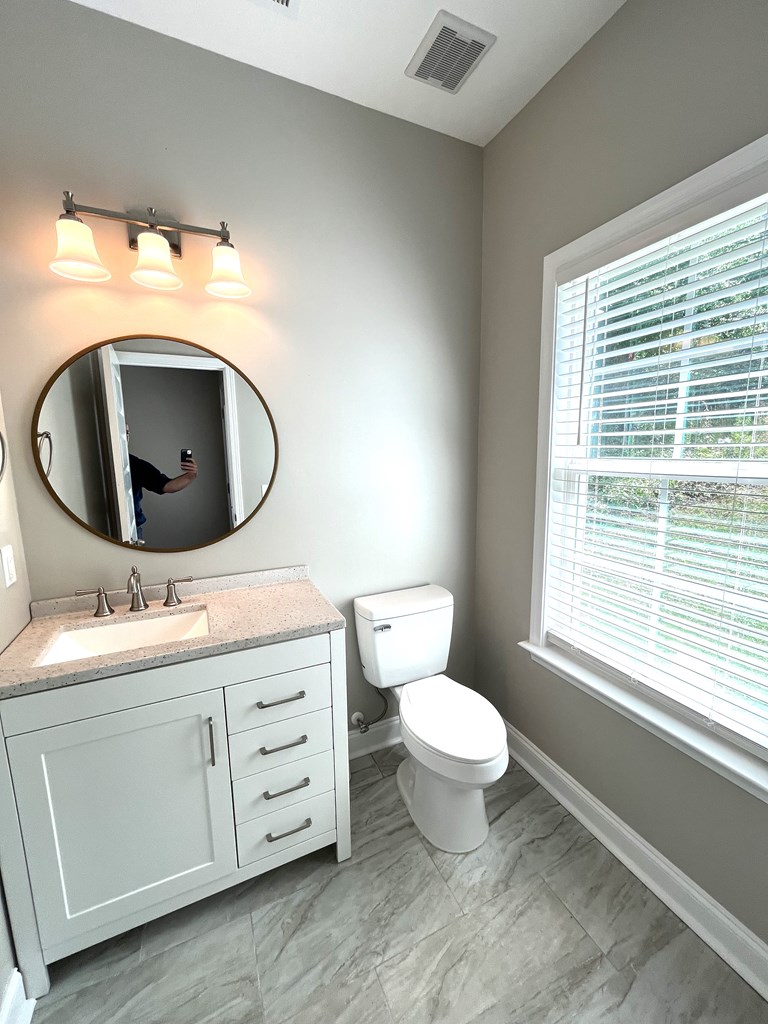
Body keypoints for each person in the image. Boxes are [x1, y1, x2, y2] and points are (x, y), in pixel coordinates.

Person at [128, 450, 198, 539]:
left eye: (126, 435)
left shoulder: (135, 464)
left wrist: (190, 476)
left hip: (131, 529)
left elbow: (167, 486)